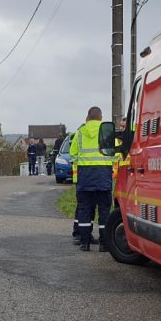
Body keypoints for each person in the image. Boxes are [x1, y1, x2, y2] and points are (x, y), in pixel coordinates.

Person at [70, 107, 114, 252]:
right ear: (101, 117)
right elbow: (116, 154)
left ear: (87, 117)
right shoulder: (107, 131)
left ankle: (85, 243)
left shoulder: (80, 132)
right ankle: (104, 244)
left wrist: (83, 162)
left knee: (84, 210)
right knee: (104, 211)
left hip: (85, 176)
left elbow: (73, 154)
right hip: (103, 176)